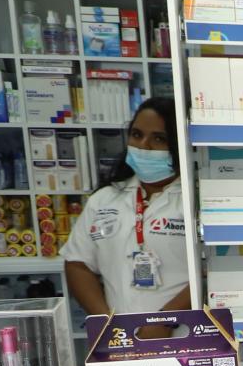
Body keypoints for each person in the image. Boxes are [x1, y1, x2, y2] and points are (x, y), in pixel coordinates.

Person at [61, 98, 190, 317]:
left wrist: (164, 321)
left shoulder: (192, 201)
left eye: (159, 138)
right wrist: (106, 322)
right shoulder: (104, 200)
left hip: (183, 334)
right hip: (120, 337)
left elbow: (211, 271)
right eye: (137, 135)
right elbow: (77, 263)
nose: (143, 146)